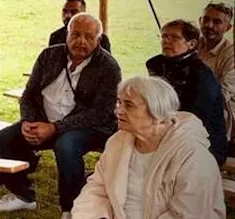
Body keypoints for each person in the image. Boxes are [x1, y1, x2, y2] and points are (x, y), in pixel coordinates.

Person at [0, 13, 120, 215]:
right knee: (6, 137)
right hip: (45, 120)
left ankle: (71, 208)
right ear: (66, 35)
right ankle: (22, 195)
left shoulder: (109, 67)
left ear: (99, 40)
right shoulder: (49, 56)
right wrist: (28, 121)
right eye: (75, 34)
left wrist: (55, 128)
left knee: (66, 145)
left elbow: (100, 113)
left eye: (88, 37)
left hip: (88, 127)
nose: (81, 41)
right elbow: (30, 93)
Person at [72, 76, 225, 219]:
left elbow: (189, 215)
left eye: (129, 105)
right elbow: (97, 189)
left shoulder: (193, 156)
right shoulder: (117, 142)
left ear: (157, 113)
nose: (117, 111)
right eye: (119, 102)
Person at [146, 19, 227, 163]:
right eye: (164, 36)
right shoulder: (157, 65)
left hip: (201, 142)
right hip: (166, 130)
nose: (167, 41)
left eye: (175, 37)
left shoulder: (201, 75)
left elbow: (195, 119)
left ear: (192, 44)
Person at [197, 1, 234, 157]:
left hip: (219, 107)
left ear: (228, 28)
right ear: (200, 20)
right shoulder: (193, 45)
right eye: (206, 20)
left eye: (217, 22)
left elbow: (224, 93)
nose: (209, 25)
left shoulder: (231, 54)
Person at [48, 0, 112, 53]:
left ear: (83, 13)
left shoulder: (100, 38)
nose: (68, 15)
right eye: (65, 11)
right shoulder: (56, 36)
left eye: (74, 12)